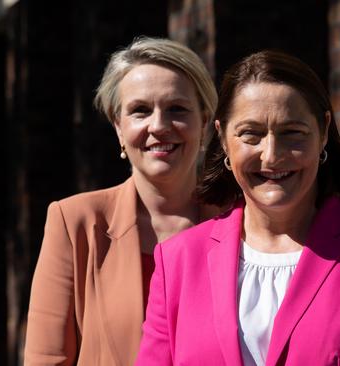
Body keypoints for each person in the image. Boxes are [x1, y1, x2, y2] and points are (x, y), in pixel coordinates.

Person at [136, 50, 340, 365]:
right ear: (222, 138)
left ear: (323, 132)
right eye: (251, 134)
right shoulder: (177, 260)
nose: (272, 156)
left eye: (292, 133)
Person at [23, 37, 218, 366]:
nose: (158, 125)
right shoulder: (75, 223)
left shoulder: (243, 223)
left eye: (177, 109)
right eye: (140, 111)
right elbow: (46, 360)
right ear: (118, 127)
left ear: (203, 121)